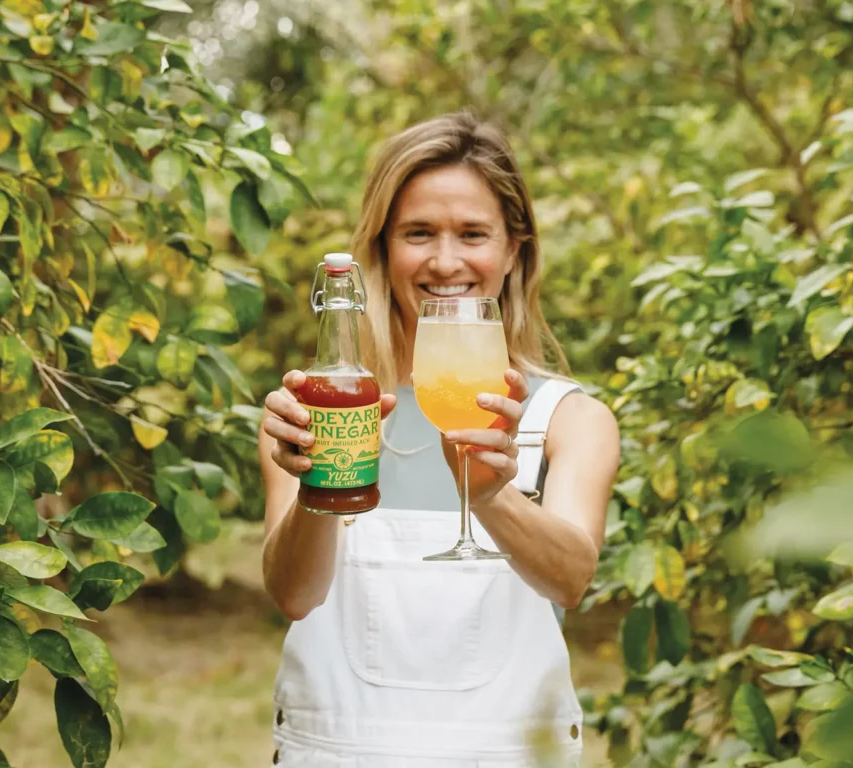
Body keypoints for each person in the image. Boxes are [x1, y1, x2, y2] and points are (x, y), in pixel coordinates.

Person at [259, 111, 621, 767]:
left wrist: (492, 499)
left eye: (473, 234)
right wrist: (317, 481)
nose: (445, 261)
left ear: (514, 250)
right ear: (383, 250)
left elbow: (571, 581)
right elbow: (294, 595)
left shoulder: (569, 419)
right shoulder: (312, 410)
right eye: (418, 234)